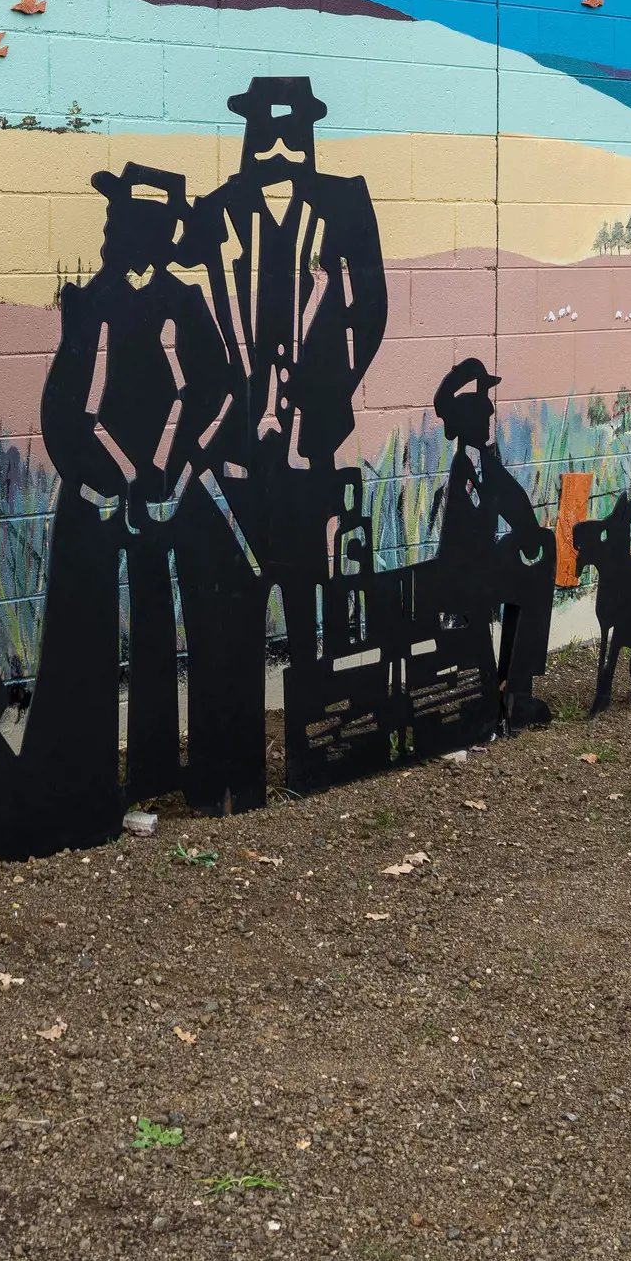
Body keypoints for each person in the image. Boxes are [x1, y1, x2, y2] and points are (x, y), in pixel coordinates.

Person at [182, 77, 387, 810]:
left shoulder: (345, 203)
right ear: (246, 130)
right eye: (265, 129)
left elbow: (370, 314)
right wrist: (233, 406)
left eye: (289, 129)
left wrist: (314, 397)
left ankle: (317, 757)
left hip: (309, 446)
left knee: (309, 603)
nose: (276, 145)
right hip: (235, 451)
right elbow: (189, 315)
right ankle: (230, 779)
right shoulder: (214, 212)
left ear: (307, 130)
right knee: (231, 613)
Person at [32, 164, 236, 843]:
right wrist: (121, 477)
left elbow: (218, 389)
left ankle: (158, 767)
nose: (112, 235)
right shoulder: (88, 303)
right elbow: (68, 404)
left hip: (165, 498)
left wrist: (172, 476)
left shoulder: (183, 301)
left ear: (156, 231)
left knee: (158, 622)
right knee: (87, 631)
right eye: (112, 222)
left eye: (126, 223)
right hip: (98, 497)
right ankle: (84, 779)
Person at [430, 358, 557, 728]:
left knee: (537, 569)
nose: (488, 424)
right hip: (463, 574)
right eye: (482, 418)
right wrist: (514, 543)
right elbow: (474, 528)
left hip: (480, 568)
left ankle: (517, 690)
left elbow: (513, 498)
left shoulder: (484, 461)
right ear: (467, 423)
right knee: (528, 582)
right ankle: (515, 692)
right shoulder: (464, 469)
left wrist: (533, 535)